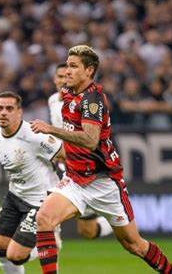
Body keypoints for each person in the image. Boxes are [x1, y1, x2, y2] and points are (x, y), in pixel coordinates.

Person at [31, 45, 172, 274]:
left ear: (89, 71)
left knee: (134, 245)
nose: (68, 71)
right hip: (75, 179)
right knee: (44, 218)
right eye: (67, 66)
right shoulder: (67, 95)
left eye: (74, 66)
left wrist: (50, 130)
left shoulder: (92, 100)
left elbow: (91, 140)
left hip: (104, 182)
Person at [0, 91, 63, 274]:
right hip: (15, 195)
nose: (3, 112)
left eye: (9, 108)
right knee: (0, 249)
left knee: (15, 255)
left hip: (40, 200)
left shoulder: (35, 135)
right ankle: (46, 243)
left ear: (19, 112)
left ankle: (47, 245)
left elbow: (66, 155)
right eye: (0, 108)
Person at [48, 63, 113, 239]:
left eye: (66, 77)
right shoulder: (53, 100)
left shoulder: (83, 100)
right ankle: (44, 243)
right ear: (54, 79)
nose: (63, 80)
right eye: (59, 77)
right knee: (46, 211)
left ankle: (117, 218)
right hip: (64, 163)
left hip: (84, 164)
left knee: (88, 232)